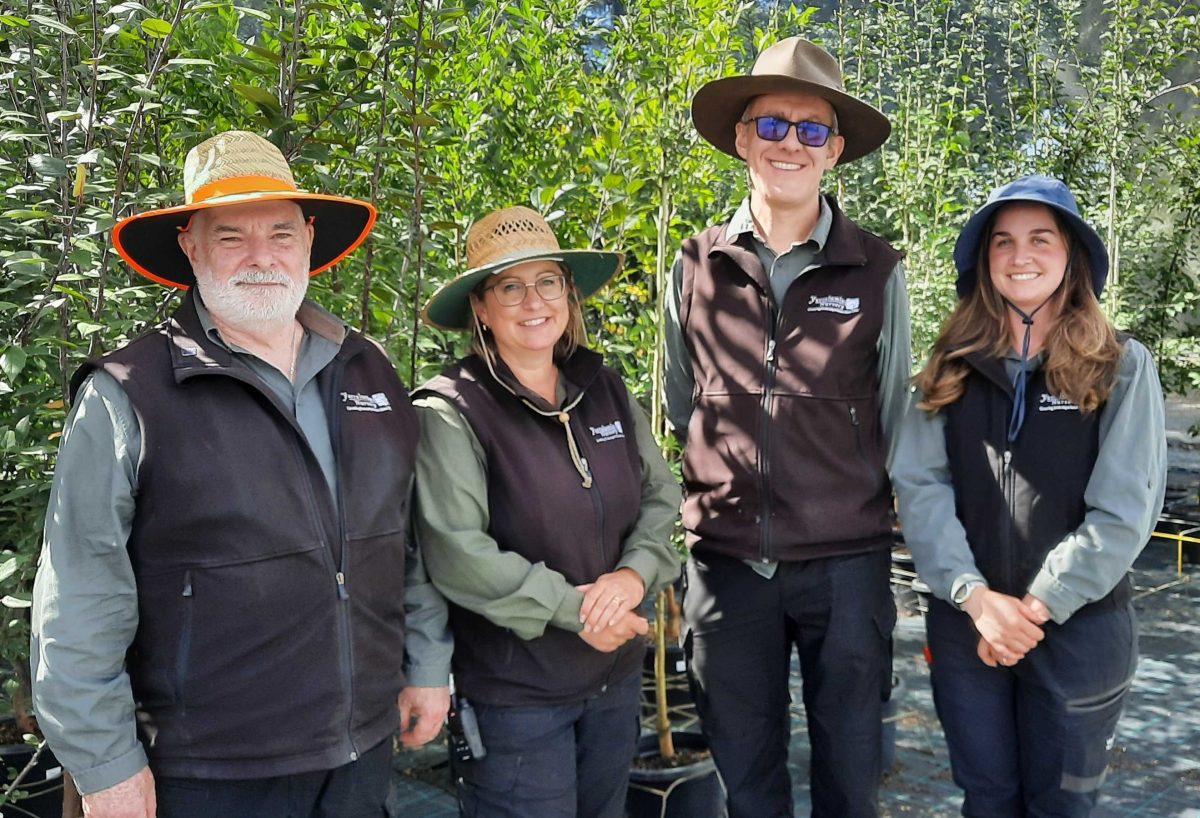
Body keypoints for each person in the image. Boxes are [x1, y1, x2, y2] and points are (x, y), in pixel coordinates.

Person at [30, 130, 452, 818]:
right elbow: (78, 596)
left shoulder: (367, 369)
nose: (262, 257)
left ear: (309, 241)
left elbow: (406, 539)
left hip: (360, 752)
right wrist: (105, 764)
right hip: (212, 770)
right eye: (231, 237)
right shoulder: (128, 393)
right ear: (190, 246)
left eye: (280, 233)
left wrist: (428, 668)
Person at [664, 36, 912, 818]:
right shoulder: (694, 265)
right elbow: (681, 401)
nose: (790, 145)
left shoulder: (877, 269)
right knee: (746, 779)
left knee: (850, 774)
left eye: (811, 130)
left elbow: (898, 412)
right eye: (773, 125)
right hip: (728, 570)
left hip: (846, 568)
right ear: (742, 137)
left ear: (834, 150)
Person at [892, 174, 1167, 817]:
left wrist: (1033, 609)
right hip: (969, 628)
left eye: (1041, 239)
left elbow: (1124, 510)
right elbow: (922, 487)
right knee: (987, 798)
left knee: (1061, 806)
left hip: (1080, 631)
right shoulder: (949, 368)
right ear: (983, 262)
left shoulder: (1122, 365)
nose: (1021, 257)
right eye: (1003, 242)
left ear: (1071, 255)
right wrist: (975, 597)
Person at [413, 205, 681, 818]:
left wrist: (633, 575)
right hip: (518, 699)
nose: (533, 300)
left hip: (614, 682)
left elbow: (661, 494)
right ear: (480, 307)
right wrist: (577, 610)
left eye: (547, 282)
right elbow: (458, 551)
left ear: (567, 293)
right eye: (510, 286)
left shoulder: (602, 387)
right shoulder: (450, 410)